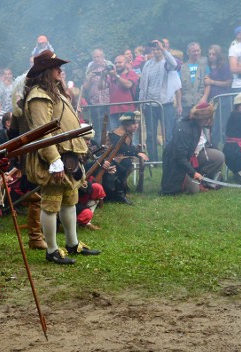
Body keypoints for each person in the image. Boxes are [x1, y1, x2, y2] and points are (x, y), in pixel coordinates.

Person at [22, 50, 100, 265]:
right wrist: (54, 159)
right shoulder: (38, 95)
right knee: (51, 205)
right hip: (53, 158)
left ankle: (72, 244)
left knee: (69, 202)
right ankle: (52, 250)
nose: (60, 70)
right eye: (56, 67)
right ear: (46, 70)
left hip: (68, 156)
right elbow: (42, 131)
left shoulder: (54, 92)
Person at [161, 102, 225, 194]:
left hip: (192, 157)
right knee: (194, 189)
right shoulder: (184, 129)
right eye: (207, 118)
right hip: (176, 165)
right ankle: (194, 180)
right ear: (200, 118)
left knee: (218, 156)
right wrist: (193, 173)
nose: (209, 121)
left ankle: (202, 179)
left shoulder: (198, 125)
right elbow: (180, 157)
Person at [138, 39, 179, 161]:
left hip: (165, 104)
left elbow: (174, 64)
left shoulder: (166, 62)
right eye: (154, 49)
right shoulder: (147, 64)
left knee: (168, 134)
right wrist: (141, 103)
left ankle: (167, 159)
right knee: (150, 135)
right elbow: (143, 85)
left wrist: (163, 49)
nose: (156, 51)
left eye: (158, 49)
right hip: (150, 104)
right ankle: (153, 160)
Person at [103, 111, 148, 204]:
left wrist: (135, 149)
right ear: (126, 124)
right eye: (133, 123)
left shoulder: (126, 132)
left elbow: (125, 148)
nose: (136, 126)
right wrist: (137, 152)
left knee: (126, 164)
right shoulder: (117, 134)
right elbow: (121, 149)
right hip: (110, 159)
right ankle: (119, 192)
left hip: (118, 157)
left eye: (137, 123)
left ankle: (123, 189)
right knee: (125, 165)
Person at [178, 43, 208, 118]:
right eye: (194, 51)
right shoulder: (181, 68)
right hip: (186, 103)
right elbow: (178, 88)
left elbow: (208, 84)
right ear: (188, 52)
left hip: (200, 102)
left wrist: (204, 98)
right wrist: (179, 105)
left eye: (198, 50)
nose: (196, 53)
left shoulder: (205, 67)